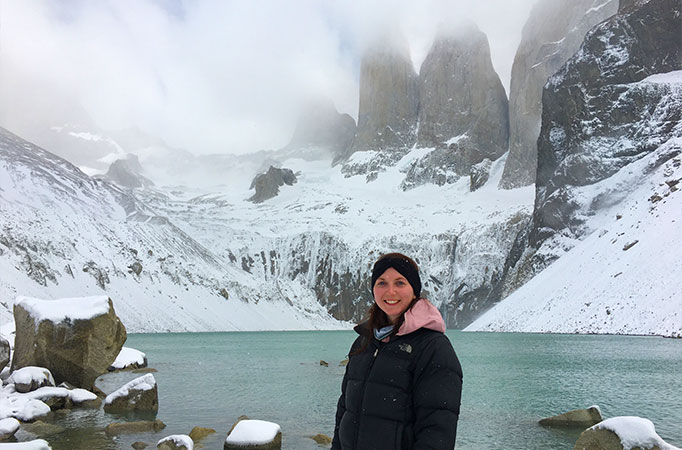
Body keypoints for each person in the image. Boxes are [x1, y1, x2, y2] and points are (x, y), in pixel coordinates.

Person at [332, 252, 463, 450]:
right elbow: (345, 411)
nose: (390, 292)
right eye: (382, 283)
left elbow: (437, 429)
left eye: (400, 283)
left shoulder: (433, 347)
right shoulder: (364, 343)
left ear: (414, 290)